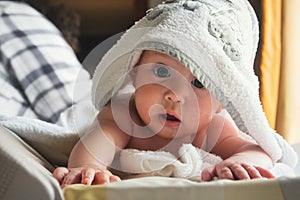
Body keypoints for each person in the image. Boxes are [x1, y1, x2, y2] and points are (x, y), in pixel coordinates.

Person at [53, 0, 299, 188]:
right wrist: (90, 168)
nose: (176, 96)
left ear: (221, 102)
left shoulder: (213, 128)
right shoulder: (125, 114)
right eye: (161, 71)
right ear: (135, 73)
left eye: (199, 83)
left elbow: (257, 150)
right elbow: (97, 144)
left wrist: (240, 162)